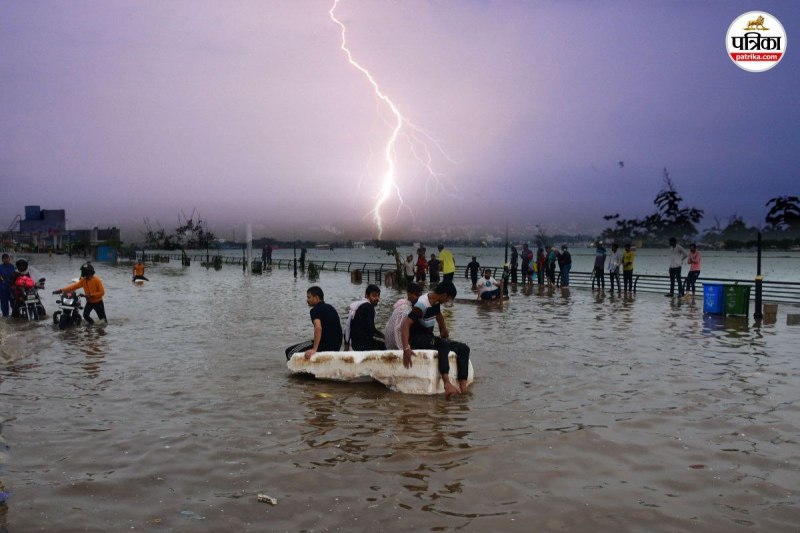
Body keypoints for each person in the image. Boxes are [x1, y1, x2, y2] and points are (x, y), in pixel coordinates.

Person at [400, 281, 471, 398]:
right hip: (417, 339)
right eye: (448, 299)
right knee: (442, 343)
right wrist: (406, 348)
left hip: (429, 338)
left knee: (463, 348)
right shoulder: (421, 305)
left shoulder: (436, 301)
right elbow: (405, 325)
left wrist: (444, 329)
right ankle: (447, 384)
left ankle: (463, 387)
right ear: (444, 295)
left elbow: (439, 316)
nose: (448, 302)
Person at [303, 286, 342, 359]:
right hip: (336, 347)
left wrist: (314, 349)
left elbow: (318, 328)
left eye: (309, 297)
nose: (307, 300)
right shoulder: (331, 307)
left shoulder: (314, 310)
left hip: (325, 347)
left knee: (290, 352)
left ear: (316, 298)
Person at [344, 284, 385, 351]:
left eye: (378, 296)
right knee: (384, 345)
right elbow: (371, 330)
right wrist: (384, 337)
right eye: (374, 295)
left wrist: (346, 344)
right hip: (363, 345)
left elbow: (347, 326)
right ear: (366, 295)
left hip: (355, 344)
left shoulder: (358, 306)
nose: (377, 298)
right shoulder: (369, 307)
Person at [383, 282, 423, 350]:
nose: (418, 298)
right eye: (416, 295)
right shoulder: (405, 309)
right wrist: (404, 348)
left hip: (389, 341)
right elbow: (398, 330)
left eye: (420, 296)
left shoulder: (403, 304)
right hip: (394, 345)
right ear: (409, 294)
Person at [0, 253, 15, 317]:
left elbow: (16, 276)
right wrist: (2, 280)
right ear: (2, 260)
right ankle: (5, 317)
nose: (6, 259)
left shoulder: (13, 267)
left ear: (9, 259)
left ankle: (15, 317)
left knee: (14, 304)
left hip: (12, 288)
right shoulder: (0, 267)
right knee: (4, 305)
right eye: (4, 258)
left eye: (7, 258)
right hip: (3, 289)